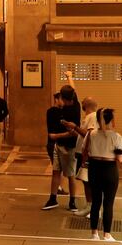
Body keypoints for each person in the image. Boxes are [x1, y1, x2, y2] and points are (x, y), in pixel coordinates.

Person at [87, 107, 122, 241]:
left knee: (95, 202)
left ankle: (94, 233)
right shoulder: (116, 136)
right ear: (112, 120)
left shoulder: (91, 134)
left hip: (94, 168)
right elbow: (120, 159)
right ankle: (107, 235)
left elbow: (85, 151)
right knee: (108, 203)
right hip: (109, 170)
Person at [42, 83, 80, 211]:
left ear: (64, 98)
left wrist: (57, 136)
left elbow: (73, 133)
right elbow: (74, 90)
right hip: (59, 146)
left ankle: (72, 201)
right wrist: (69, 77)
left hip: (70, 147)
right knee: (56, 171)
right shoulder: (69, 107)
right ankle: (53, 198)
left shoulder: (73, 109)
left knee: (70, 174)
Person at [62, 96, 97, 217]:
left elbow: (89, 135)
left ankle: (92, 207)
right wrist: (74, 131)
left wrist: (75, 127)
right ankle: (90, 206)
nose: (81, 103)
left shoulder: (93, 116)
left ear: (87, 105)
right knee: (85, 181)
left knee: (89, 181)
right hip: (81, 153)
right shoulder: (88, 117)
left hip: (87, 155)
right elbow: (83, 135)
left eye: (83, 102)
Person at [46, 92, 68, 195]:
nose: (63, 102)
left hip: (53, 142)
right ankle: (58, 187)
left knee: (58, 168)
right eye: (61, 99)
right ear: (56, 100)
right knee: (58, 168)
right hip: (54, 142)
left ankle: (58, 187)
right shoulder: (55, 112)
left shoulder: (54, 111)